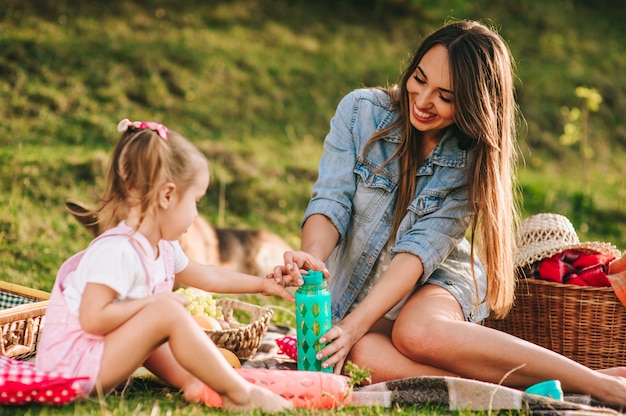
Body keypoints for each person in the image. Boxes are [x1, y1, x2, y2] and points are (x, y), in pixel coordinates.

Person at [269, 20, 626, 406]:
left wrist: (354, 324)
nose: (422, 101)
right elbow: (331, 200)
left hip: (438, 274)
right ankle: (514, 392)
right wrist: (312, 259)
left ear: (473, 104)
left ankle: (600, 384)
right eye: (419, 79)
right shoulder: (360, 112)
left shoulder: (471, 157)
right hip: (367, 288)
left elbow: (419, 252)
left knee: (415, 332)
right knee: (359, 355)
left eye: (445, 96)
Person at [36, 119, 293, 413]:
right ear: (167, 196)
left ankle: (193, 382)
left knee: (159, 314)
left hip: (97, 360)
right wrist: (154, 303)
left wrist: (262, 284)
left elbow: (207, 275)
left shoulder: (163, 247)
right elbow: (93, 319)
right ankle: (239, 394)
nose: (196, 214)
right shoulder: (117, 250)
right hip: (70, 370)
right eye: (196, 201)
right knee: (164, 311)